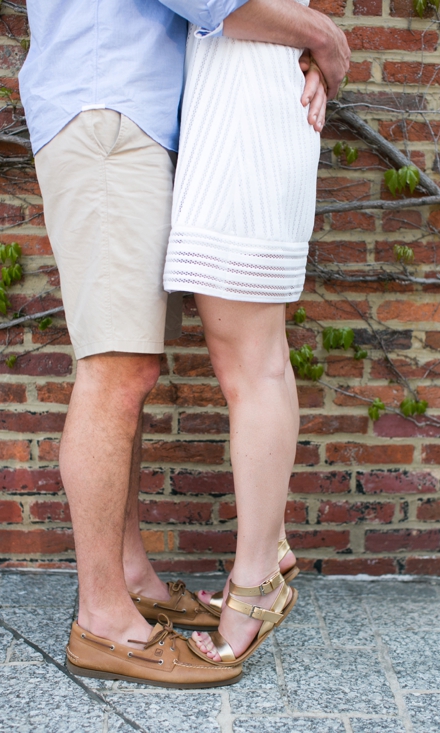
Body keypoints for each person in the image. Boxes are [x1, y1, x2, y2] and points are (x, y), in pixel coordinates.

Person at [18, 0, 349, 687]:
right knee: (115, 369)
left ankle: (131, 574)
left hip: (138, 113)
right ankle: (104, 619)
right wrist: (321, 36)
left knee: (131, 369)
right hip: (108, 104)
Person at [166, 7, 328, 666]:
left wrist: (324, 42)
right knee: (262, 359)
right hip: (257, 98)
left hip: (245, 117)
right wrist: (319, 39)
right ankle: (272, 547)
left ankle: (256, 583)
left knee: (250, 366)